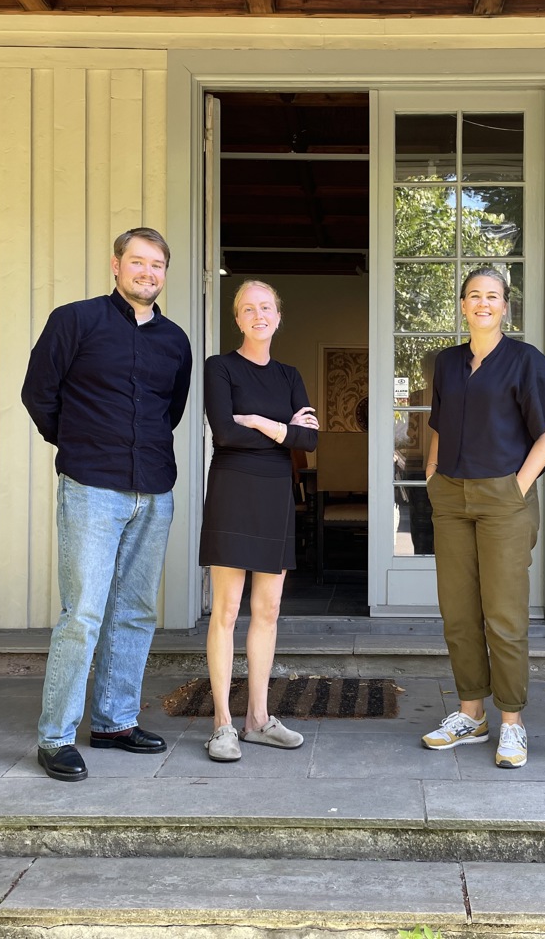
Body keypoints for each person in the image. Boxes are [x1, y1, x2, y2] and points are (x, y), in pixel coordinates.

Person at [21, 227, 193, 782]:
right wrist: (78, 444)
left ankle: (116, 721)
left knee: (135, 611)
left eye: (158, 265)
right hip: (91, 487)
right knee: (84, 613)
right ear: (115, 265)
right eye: (138, 262)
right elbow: (38, 393)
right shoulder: (74, 321)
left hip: (154, 490)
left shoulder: (176, 341)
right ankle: (55, 736)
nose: (148, 272)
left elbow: (172, 409)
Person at [421, 268, 545, 769]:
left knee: (503, 616)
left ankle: (512, 723)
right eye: (474, 296)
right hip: (452, 498)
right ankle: (470, 713)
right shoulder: (447, 363)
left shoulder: (527, 362)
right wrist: (433, 476)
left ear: (506, 306)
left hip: (504, 498)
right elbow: (436, 426)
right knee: (459, 614)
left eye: (493, 296)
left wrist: (515, 488)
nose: (483, 303)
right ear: (462, 305)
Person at [199, 280, 319, 762]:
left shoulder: (289, 375)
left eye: (266, 306)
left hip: (274, 497)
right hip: (231, 492)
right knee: (226, 611)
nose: (258, 314)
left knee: (267, 611)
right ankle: (222, 724)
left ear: (278, 315)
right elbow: (224, 433)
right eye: (248, 308)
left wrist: (261, 422)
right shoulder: (220, 367)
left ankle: (258, 719)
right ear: (237, 317)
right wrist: (282, 431)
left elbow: (308, 443)